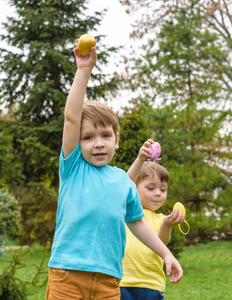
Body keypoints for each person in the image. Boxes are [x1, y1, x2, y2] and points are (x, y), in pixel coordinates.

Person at [45, 43, 183, 300]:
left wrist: (166, 253)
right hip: (68, 275)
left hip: (109, 281)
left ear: (116, 139)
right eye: (87, 137)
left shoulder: (123, 181)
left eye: (105, 135)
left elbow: (137, 221)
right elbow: (71, 118)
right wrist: (84, 70)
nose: (98, 143)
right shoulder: (73, 167)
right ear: (78, 141)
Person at [120, 139, 186, 300]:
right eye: (151, 188)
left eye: (163, 189)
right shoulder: (123, 211)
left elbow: (160, 243)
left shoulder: (160, 218)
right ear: (134, 188)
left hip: (151, 283)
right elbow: (124, 185)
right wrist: (140, 159)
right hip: (122, 281)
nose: (158, 193)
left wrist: (167, 225)